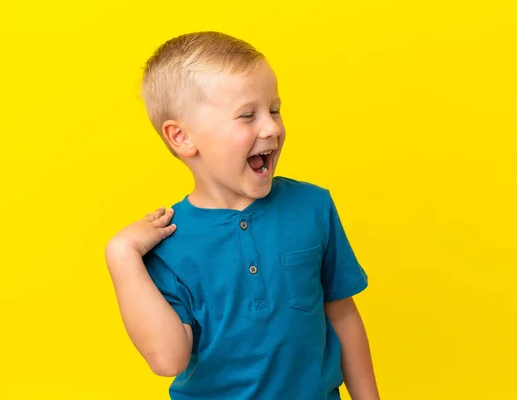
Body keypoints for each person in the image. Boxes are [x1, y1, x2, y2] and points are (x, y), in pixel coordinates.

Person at [105, 31, 380, 400]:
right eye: (247, 115)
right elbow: (168, 360)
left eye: (275, 109)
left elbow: (343, 316)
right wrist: (121, 254)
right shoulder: (167, 243)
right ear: (182, 138)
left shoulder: (313, 206)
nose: (271, 128)